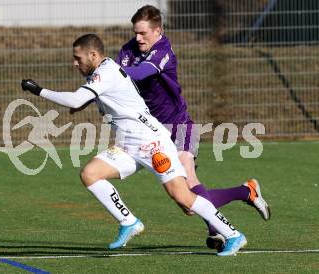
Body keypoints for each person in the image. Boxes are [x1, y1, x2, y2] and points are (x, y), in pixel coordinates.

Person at [21, 33, 247, 256]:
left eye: (78, 58)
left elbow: (76, 99)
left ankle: (233, 235)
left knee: (183, 198)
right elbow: (89, 98)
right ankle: (129, 222)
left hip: (151, 143)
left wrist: (38, 90)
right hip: (128, 146)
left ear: (93, 55)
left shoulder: (106, 72)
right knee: (90, 174)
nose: (75, 63)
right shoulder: (102, 72)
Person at [115, 5, 270, 250]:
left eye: (143, 33)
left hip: (178, 126)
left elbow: (141, 72)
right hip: (152, 131)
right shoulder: (128, 50)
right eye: (135, 32)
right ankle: (245, 192)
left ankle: (223, 230)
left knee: (189, 187)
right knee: (187, 203)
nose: (138, 38)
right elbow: (114, 81)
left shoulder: (163, 51)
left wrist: (113, 73)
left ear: (158, 31)